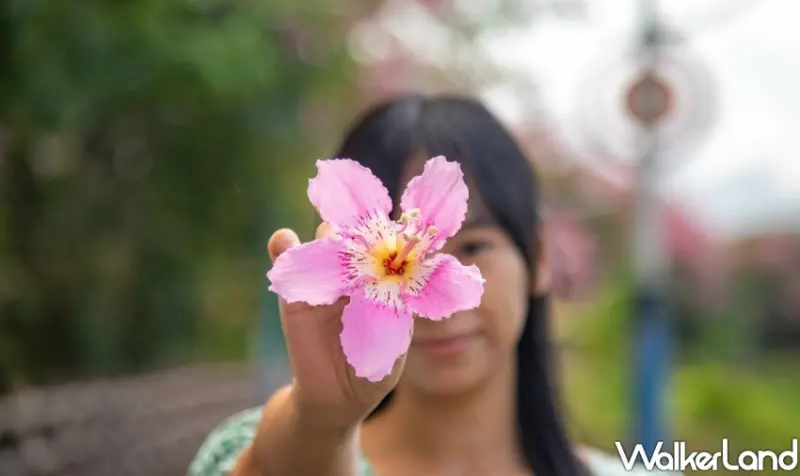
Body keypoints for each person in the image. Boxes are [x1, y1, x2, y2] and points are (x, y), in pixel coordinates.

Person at [189, 94, 675, 476]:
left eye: (474, 246)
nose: (421, 305)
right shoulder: (262, 454)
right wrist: (321, 424)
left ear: (541, 254)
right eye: (396, 251)